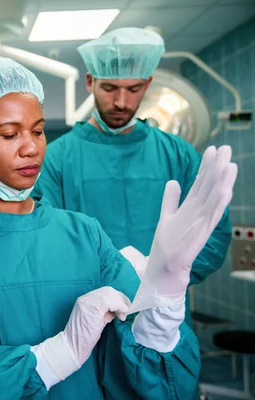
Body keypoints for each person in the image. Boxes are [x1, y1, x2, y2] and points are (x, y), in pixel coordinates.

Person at [0, 57, 236, 399]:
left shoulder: (85, 235)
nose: (31, 148)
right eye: (10, 134)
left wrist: (164, 304)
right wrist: (54, 357)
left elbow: (153, 374)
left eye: (38, 131)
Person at [35, 27, 231, 326]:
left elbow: (212, 232)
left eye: (134, 88)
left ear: (148, 84)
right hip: (89, 311)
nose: (122, 102)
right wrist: (103, 288)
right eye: (110, 88)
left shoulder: (177, 154)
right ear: (90, 81)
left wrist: (165, 279)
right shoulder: (57, 158)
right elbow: (46, 238)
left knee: (161, 368)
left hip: (163, 310)